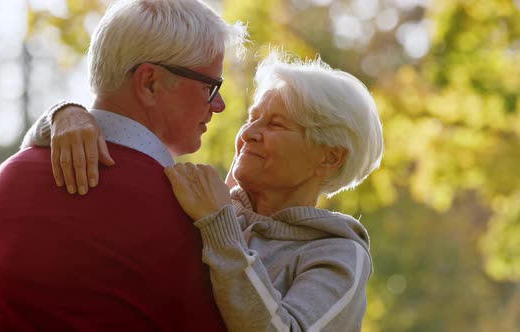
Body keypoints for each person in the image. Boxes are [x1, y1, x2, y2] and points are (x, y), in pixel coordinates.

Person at [26, 52, 384, 331]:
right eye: (251, 118)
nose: (248, 134)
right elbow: (91, 161)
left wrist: (218, 227)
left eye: (275, 124)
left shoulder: (338, 253)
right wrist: (66, 115)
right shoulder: (200, 199)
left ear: (330, 157)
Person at [0, 0, 247, 331]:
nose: (219, 105)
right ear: (149, 83)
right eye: (209, 87)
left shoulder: (8, 177)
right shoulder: (189, 210)